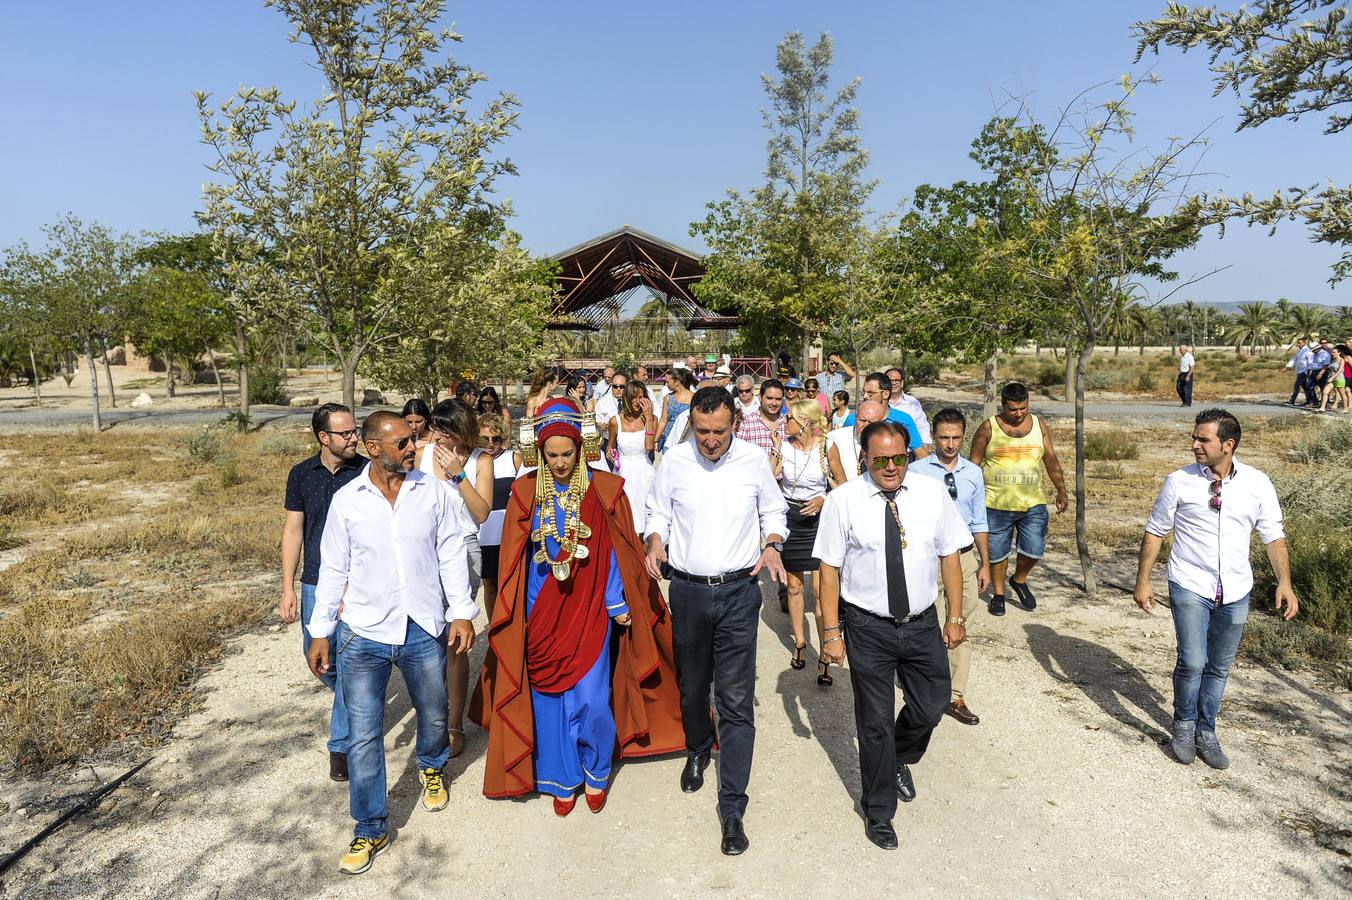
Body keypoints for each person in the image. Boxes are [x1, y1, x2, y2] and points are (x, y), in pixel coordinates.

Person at [472, 398, 684, 815]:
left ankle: (596, 769)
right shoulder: (524, 489)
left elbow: (614, 552)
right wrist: (520, 614)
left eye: (567, 453)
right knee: (548, 697)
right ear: (538, 451)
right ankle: (561, 777)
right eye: (550, 455)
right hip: (541, 610)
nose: (560, 462)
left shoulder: (605, 488)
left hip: (590, 609)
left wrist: (615, 600)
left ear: (581, 446)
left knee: (590, 697)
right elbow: (515, 557)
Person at [306, 410, 477, 875]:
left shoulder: (433, 493)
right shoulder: (348, 501)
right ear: (374, 448)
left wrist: (461, 611)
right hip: (363, 633)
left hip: (423, 624)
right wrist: (320, 630)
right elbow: (332, 570)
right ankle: (370, 826)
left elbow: (450, 552)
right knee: (363, 736)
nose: (412, 446)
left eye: (412, 438)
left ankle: (431, 765)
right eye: (402, 441)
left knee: (435, 709)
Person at [814, 420, 972, 851]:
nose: (890, 467)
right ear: (865, 458)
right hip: (868, 627)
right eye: (880, 459)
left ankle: (899, 758)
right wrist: (831, 631)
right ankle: (879, 811)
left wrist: (955, 617)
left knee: (933, 703)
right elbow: (827, 570)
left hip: (921, 623)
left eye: (898, 458)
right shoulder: (843, 501)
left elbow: (950, 556)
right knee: (875, 722)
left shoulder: (929, 492)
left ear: (909, 455)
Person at [644, 387, 788, 857]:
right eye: (702, 431)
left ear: (734, 423)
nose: (710, 441)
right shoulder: (675, 460)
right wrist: (655, 541)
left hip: (738, 594)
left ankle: (732, 809)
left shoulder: (752, 460)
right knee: (691, 686)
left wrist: (771, 543)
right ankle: (698, 746)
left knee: (735, 698)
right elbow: (657, 511)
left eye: (719, 432)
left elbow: (774, 509)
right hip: (686, 590)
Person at [1133, 408, 1297, 770]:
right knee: (1193, 661)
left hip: (1236, 588)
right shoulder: (1179, 481)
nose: (1194, 445)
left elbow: (1273, 535)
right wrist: (1143, 579)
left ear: (1228, 444)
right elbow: (1156, 530)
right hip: (1190, 582)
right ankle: (1184, 725)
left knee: (1220, 667)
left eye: (1202, 439)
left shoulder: (1257, 483)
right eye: (1194, 437)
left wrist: (1285, 582)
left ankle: (1207, 730)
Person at [280, 403, 364, 783]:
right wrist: (287, 587)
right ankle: (359, 698)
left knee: (346, 663)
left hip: (357, 580)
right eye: (345, 433)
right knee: (315, 657)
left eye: (355, 431)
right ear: (323, 437)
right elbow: (293, 531)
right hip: (314, 579)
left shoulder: (365, 471)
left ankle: (341, 746)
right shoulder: (301, 474)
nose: (353, 438)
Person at [417, 399, 494, 759]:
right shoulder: (422, 454)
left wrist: (458, 476)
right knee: (426, 634)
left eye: (448, 431)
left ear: (463, 430)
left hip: (464, 548)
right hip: (426, 546)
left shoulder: (481, 458)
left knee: (456, 637)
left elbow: (480, 513)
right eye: (437, 429)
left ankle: (453, 722)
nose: (440, 438)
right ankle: (431, 716)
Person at [912, 408, 991, 726]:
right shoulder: (916, 470)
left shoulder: (973, 472)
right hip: (928, 557)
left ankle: (955, 696)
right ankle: (921, 685)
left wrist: (985, 562)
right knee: (923, 622)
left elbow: (980, 520)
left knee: (960, 623)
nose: (950, 443)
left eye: (956, 437)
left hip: (963, 557)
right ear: (933, 436)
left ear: (964, 436)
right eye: (944, 437)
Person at [969, 382, 1068, 617]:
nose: (1019, 413)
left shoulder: (1039, 426)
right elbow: (972, 466)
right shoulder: (988, 428)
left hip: (1032, 504)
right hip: (994, 505)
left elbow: (1051, 460)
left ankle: (1019, 579)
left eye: (1023, 408)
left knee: (1034, 549)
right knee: (996, 554)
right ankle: (999, 595)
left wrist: (1061, 489)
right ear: (1003, 405)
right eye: (1013, 409)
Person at [770, 399, 835, 683]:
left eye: (789, 419)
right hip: (791, 518)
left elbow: (844, 486)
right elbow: (768, 481)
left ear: (804, 422)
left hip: (820, 521)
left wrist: (824, 498)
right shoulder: (783, 446)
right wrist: (775, 452)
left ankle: (825, 652)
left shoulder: (826, 446)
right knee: (794, 587)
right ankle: (799, 642)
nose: (784, 422)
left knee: (822, 594)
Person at [477, 413, 522, 621]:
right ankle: (493, 630)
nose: (491, 444)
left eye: (495, 439)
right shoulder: (472, 460)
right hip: (483, 533)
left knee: (512, 583)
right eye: (485, 438)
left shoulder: (513, 458)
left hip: (508, 532)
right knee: (490, 584)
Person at [608, 380, 657, 534]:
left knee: (646, 518)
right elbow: (610, 445)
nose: (637, 402)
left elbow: (649, 447)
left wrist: (648, 418)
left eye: (641, 397)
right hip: (623, 472)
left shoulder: (651, 419)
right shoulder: (615, 421)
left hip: (644, 471)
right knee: (625, 518)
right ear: (627, 398)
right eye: (634, 398)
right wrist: (610, 453)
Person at [842, 373, 925, 457]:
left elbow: (920, 454)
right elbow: (840, 447)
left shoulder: (903, 420)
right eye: (864, 392)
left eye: (870, 393)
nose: (865, 396)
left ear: (885, 394)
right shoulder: (853, 419)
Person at [827, 399, 887, 485]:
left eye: (871, 422)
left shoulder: (888, 441)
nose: (866, 426)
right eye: (862, 420)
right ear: (855, 417)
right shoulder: (834, 438)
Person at [736, 378, 787, 456]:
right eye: (769, 398)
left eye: (778, 399)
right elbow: (738, 454)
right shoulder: (746, 424)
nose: (774, 403)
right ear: (760, 397)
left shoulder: (787, 423)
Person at [884, 367, 932, 448]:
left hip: (910, 451)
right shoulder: (880, 403)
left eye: (897, 380)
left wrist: (925, 442)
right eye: (890, 381)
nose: (893, 383)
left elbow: (922, 424)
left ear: (902, 383)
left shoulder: (912, 403)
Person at [656, 367, 697, 452]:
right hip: (669, 436)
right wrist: (656, 439)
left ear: (677, 382)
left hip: (686, 435)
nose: (666, 384)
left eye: (667, 382)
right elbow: (663, 420)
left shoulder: (694, 398)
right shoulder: (667, 398)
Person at [1285, 337, 1314, 406]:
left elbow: (1310, 362)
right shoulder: (1299, 352)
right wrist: (1287, 367)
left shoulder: (1308, 351)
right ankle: (1310, 400)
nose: (1298, 344)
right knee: (1305, 387)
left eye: (1300, 343)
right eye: (1298, 343)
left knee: (1296, 386)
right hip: (1299, 371)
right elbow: (1294, 359)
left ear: (1304, 343)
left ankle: (1292, 400)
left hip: (1304, 371)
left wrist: (1309, 371)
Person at [1318, 345, 1347, 413]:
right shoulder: (1332, 360)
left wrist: (1333, 377)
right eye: (1332, 352)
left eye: (1334, 352)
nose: (1332, 353)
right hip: (1330, 379)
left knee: (1342, 394)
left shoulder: (1341, 360)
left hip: (1339, 379)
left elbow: (1340, 370)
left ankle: (1345, 408)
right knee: (1325, 392)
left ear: (1339, 353)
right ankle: (1322, 408)